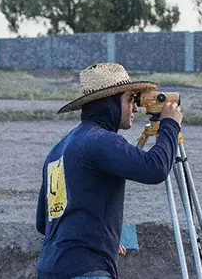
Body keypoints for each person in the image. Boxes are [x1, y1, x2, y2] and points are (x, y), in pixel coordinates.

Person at [35, 63, 182, 279]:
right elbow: (155, 168)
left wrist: (103, 236)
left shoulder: (59, 149)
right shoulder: (101, 141)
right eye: (130, 99)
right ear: (110, 103)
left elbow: (43, 222)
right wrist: (169, 125)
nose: (135, 108)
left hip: (51, 268)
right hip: (87, 271)